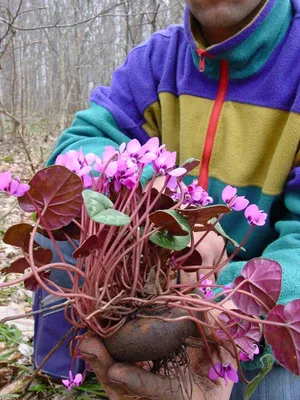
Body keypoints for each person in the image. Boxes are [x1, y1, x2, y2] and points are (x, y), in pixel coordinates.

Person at [38, 0, 300, 398]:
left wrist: (218, 301)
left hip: (255, 310)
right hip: (152, 284)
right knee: (56, 229)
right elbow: (74, 150)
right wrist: (160, 194)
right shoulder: (158, 61)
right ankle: (62, 373)